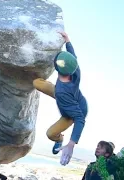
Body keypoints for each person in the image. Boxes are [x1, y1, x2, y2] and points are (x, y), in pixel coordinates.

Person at [32, 31, 88, 166]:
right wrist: (67, 40)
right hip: (68, 95)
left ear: (57, 69)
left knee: (50, 133)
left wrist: (71, 143)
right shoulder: (74, 69)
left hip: (72, 112)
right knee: (36, 82)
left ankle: (59, 139)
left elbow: (80, 119)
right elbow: (72, 57)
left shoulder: (62, 93)